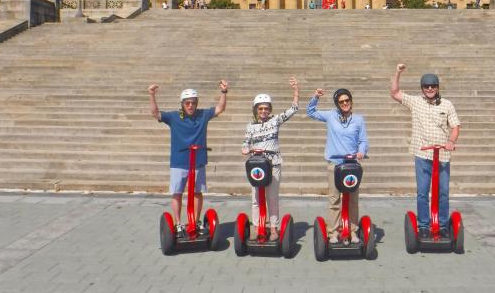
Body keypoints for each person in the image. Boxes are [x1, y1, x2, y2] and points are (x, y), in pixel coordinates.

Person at [149, 80, 228, 236]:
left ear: (196, 103)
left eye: (193, 103)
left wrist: (223, 92)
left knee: (198, 193)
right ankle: (178, 224)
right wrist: (152, 95)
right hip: (179, 162)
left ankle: (196, 221)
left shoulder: (203, 115)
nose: (190, 106)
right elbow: (155, 113)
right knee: (177, 193)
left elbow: (220, 108)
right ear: (182, 104)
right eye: (187, 103)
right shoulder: (173, 117)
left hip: (198, 162)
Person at [390, 64, 460, 239]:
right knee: (422, 192)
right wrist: (398, 73)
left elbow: (455, 127)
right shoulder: (416, 102)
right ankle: (423, 225)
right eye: (426, 86)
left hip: (442, 155)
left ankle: (443, 225)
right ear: (422, 89)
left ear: (438, 88)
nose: (430, 89)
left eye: (433, 86)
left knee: (443, 192)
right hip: (422, 155)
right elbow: (395, 93)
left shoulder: (447, 104)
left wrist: (451, 141)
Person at [307, 87, 368, 244]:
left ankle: (353, 231)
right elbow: (311, 112)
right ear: (337, 103)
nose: (345, 103)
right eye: (341, 101)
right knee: (334, 199)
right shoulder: (330, 115)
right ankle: (333, 232)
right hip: (335, 163)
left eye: (347, 100)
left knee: (352, 200)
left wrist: (361, 152)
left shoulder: (358, 119)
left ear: (351, 101)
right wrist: (316, 97)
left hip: (352, 165)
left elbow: (363, 140)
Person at [242, 77, 300, 241]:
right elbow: (245, 143)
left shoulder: (275, 120)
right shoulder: (250, 126)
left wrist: (296, 91)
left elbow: (293, 109)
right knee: (255, 199)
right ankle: (257, 227)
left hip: (273, 164)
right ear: (255, 109)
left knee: (272, 197)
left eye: (266, 108)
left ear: (270, 109)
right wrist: (246, 149)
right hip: (257, 166)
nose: (263, 111)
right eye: (260, 108)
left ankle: (273, 228)